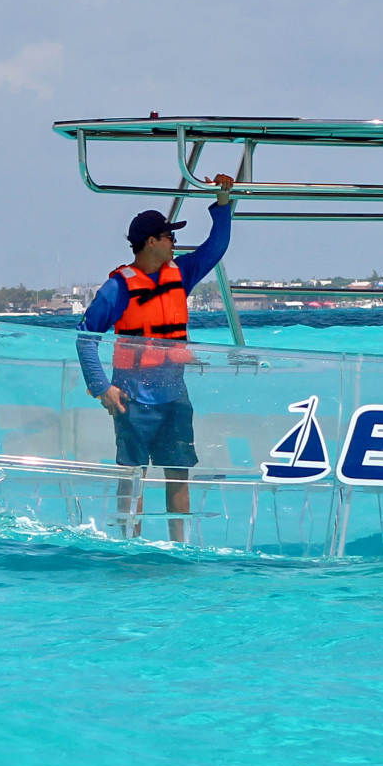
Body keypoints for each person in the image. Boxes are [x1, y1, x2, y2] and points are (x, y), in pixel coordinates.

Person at [76, 175, 235, 540]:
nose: (175, 243)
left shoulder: (182, 273)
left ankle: (179, 544)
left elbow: (217, 246)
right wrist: (103, 388)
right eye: (169, 237)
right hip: (132, 398)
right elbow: (85, 339)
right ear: (151, 242)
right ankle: (129, 544)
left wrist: (223, 203)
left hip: (174, 396)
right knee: (132, 476)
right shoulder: (118, 288)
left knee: (179, 472)